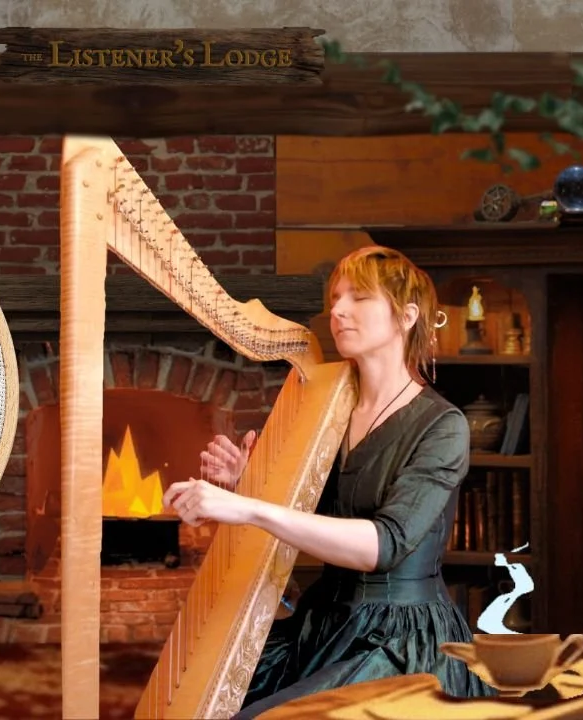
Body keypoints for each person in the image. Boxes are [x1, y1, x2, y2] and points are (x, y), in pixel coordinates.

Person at [163, 245, 495, 716]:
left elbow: (382, 546)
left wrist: (248, 508)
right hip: (324, 621)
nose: (337, 311)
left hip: (399, 640)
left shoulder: (442, 426)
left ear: (407, 316)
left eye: (359, 298)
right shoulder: (326, 412)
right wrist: (248, 484)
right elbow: (316, 522)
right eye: (336, 297)